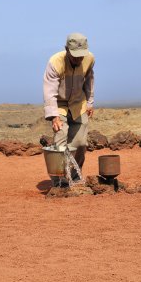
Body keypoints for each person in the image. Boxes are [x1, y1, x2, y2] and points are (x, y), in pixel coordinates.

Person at [43, 32, 95, 187]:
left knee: (80, 143)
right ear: (66, 49)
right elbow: (49, 91)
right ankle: (59, 181)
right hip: (59, 105)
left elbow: (89, 80)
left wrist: (90, 102)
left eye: (81, 55)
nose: (79, 59)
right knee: (60, 142)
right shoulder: (55, 62)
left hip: (79, 104)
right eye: (75, 56)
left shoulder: (90, 59)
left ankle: (75, 176)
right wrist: (54, 116)